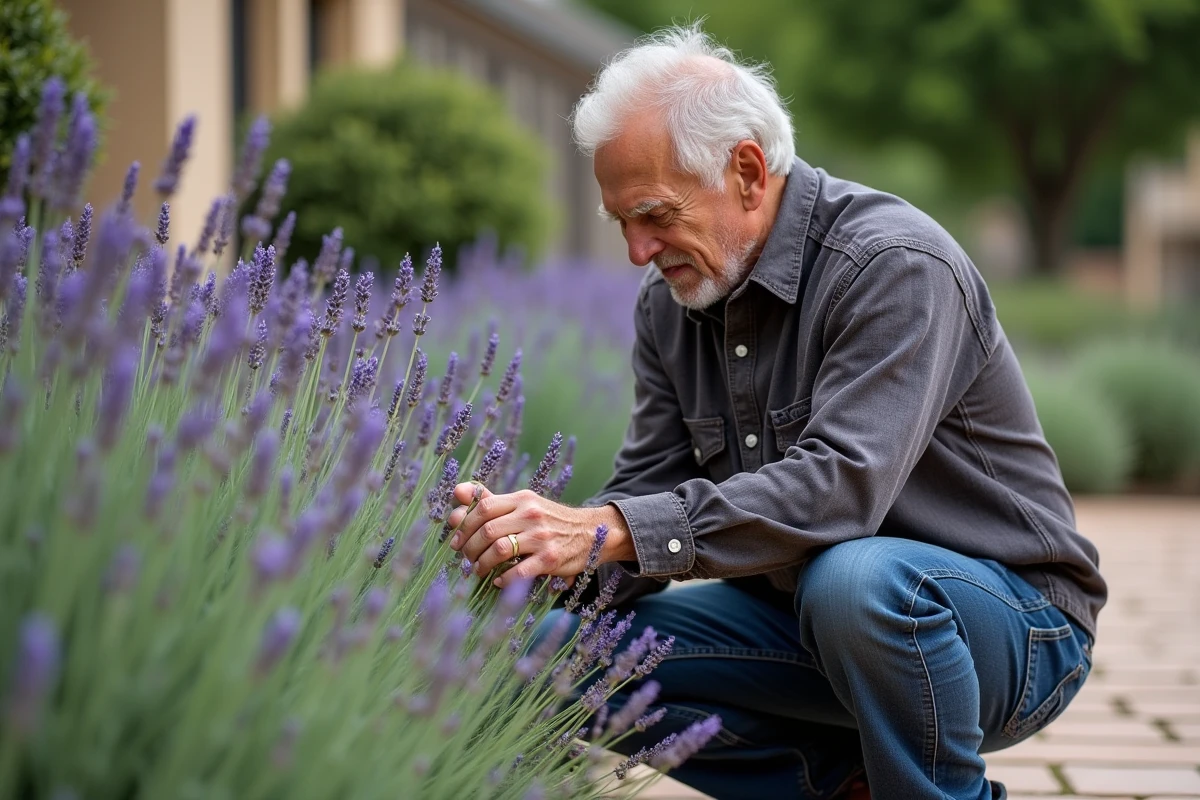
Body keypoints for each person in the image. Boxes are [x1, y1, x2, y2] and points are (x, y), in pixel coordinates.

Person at [446, 22, 1105, 800]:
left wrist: (605, 529)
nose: (636, 250)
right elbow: (642, 501)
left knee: (853, 579)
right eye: (621, 221)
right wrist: (527, 564)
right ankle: (843, 789)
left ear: (749, 173)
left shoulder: (892, 266)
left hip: (1012, 632)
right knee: (558, 656)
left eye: (654, 214)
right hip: (811, 630)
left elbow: (839, 491)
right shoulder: (672, 308)